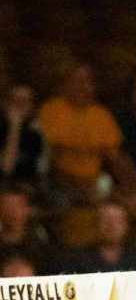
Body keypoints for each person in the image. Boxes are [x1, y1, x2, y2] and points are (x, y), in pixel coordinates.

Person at [36, 64, 123, 204]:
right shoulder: (51, 110)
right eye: (77, 80)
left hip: (95, 181)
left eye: (87, 81)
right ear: (66, 84)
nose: (82, 86)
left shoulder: (102, 115)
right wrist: (80, 185)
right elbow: (48, 156)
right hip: (60, 181)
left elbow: (114, 157)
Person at [60, 199, 136, 276]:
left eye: (118, 220)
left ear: (127, 226)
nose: (112, 225)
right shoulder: (79, 260)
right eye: (105, 220)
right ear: (96, 224)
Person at [0, 183, 53, 271]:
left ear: (27, 209)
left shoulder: (41, 242)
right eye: (6, 206)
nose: (11, 212)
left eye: (16, 206)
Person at [0, 83, 44, 185]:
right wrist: (15, 127)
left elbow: (36, 172)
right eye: (16, 100)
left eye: (25, 101)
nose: (20, 106)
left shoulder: (35, 135)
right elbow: (6, 169)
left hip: (25, 189)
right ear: (6, 104)